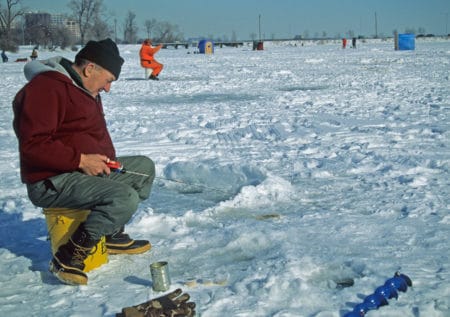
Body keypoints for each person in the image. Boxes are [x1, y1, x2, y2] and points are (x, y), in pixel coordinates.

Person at [12, 38, 155, 286]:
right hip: (50, 180)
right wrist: (80, 160)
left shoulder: (83, 88)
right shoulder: (46, 89)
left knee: (144, 169)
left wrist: (99, 161)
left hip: (79, 170)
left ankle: (110, 233)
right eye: (108, 80)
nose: (108, 89)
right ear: (90, 69)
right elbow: (32, 145)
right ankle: (70, 254)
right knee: (124, 197)